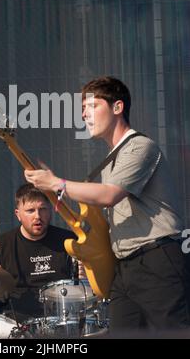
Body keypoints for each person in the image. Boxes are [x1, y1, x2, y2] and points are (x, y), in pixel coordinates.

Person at [25, 76, 190, 335]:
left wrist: (58, 183)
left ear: (117, 107)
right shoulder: (110, 161)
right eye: (82, 109)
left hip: (157, 260)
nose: (85, 114)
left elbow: (109, 195)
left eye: (92, 106)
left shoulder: (140, 147)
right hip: (125, 269)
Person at [0, 183, 81, 323]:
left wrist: (84, 278)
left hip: (63, 320)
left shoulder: (69, 241)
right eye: (30, 210)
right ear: (18, 214)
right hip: (16, 324)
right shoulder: (0, 246)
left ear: (50, 210)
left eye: (42, 209)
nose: (37, 216)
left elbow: (86, 289)